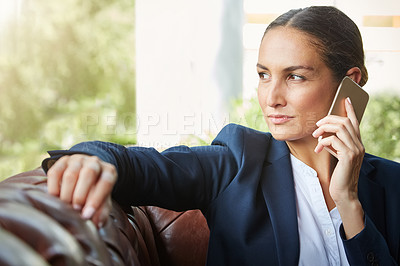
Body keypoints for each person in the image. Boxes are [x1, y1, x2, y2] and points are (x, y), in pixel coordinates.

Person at [43, 6, 400, 265]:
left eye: (295, 76)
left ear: (351, 83)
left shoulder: (392, 184)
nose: (271, 97)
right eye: (263, 75)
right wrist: (88, 160)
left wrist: (349, 203)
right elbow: (140, 165)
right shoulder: (237, 161)